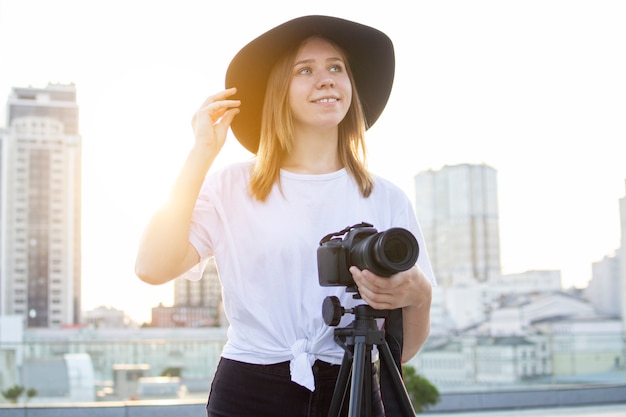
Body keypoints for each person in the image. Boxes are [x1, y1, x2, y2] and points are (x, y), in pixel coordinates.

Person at [135, 15, 436, 417]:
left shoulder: (385, 197)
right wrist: (201, 153)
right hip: (252, 388)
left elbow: (403, 352)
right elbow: (152, 266)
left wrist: (420, 297)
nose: (326, 79)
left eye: (336, 68)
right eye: (305, 70)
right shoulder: (233, 185)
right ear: (279, 91)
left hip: (353, 387)